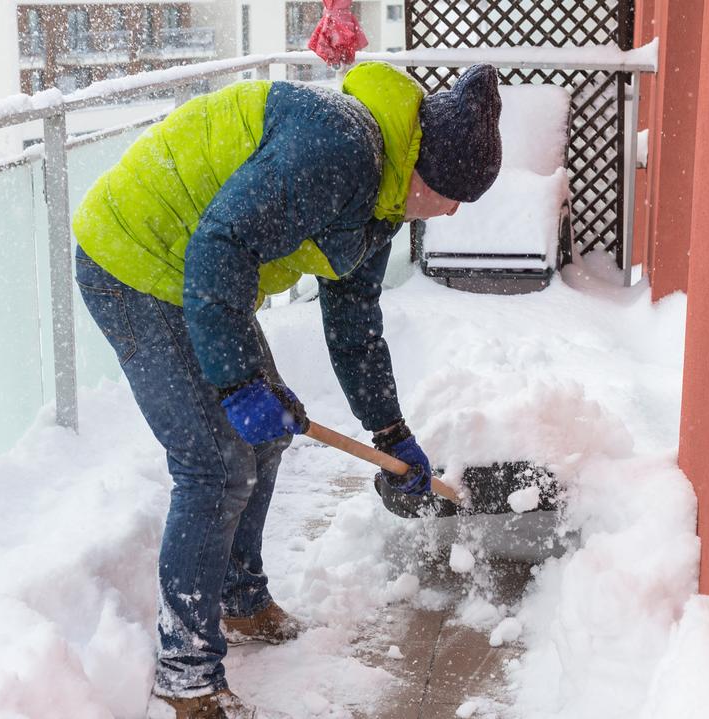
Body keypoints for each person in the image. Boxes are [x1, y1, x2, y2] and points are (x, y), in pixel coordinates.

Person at [72, 61, 502, 718]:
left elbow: (355, 322)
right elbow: (219, 249)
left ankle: (240, 600)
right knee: (213, 463)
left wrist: (391, 432)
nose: (448, 212)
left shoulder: (382, 195)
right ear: (425, 172)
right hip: (135, 253)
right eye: (451, 196)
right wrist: (238, 383)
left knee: (269, 431)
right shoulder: (342, 154)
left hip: (200, 267)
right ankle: (186, 674)